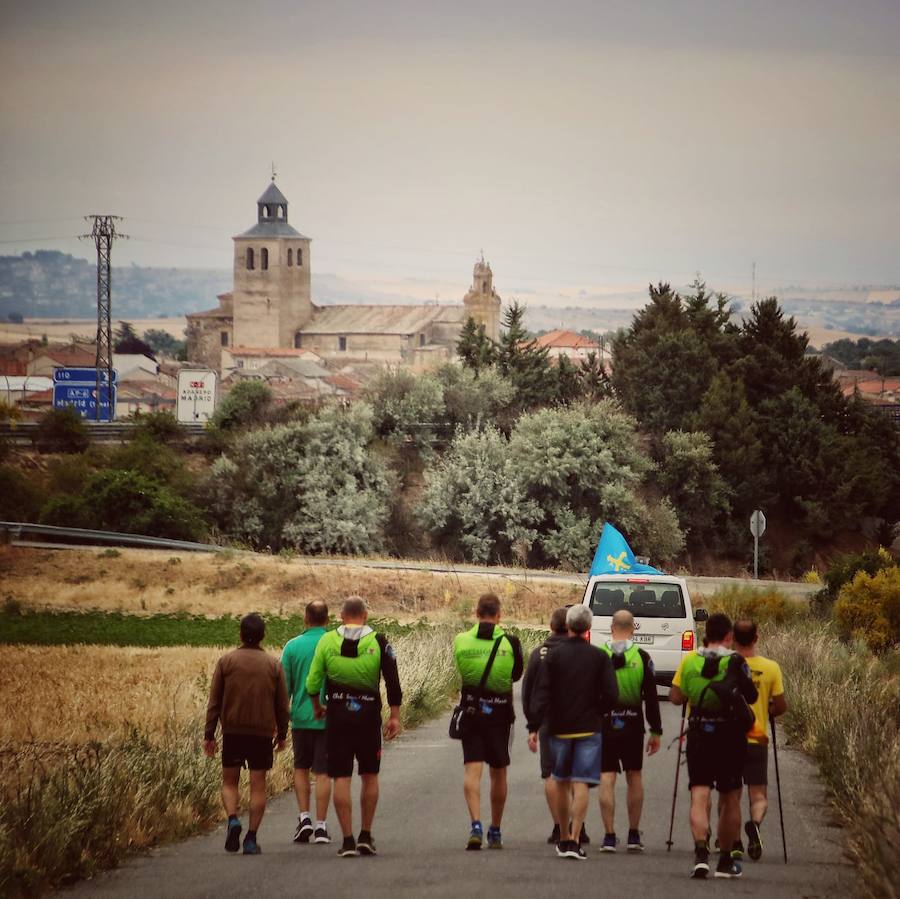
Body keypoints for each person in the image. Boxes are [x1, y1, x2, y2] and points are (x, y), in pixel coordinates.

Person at [306, 595, 402, 858]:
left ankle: (347, 840)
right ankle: (366, 835)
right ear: (366, 615)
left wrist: (317, 706)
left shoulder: (327, 641)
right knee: (370, 775)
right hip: (368, 715)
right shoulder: (379, 642)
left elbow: (312, 683)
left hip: (337, 714)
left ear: (340, 616)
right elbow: (392, 681)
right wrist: (394, 715)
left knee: (341, 778)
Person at [670, 612, 758, 880]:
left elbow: (675, 697)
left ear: (705, 633)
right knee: (730, 798)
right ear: (729, 636)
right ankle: (725, 860)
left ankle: (700, 854)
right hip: (730, 736)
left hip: (699, 732)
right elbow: (751, 696)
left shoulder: (689, 661)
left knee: (699, 794)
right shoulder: (736, 661)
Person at [528, 604, 618, 861]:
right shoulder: (599, 657)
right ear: (588, 627)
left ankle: (563, 837)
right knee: (581, 784)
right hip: (588, 728)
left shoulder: (553, 657)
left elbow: (542, 692)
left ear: (568, 625)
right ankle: (576, 838)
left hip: (558, 728)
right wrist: (596, 711)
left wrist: (534, 725)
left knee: (560, 780)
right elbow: (611, 694)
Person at [204, 612, 290, 855]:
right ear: (263, 636)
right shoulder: (274, 664)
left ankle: (232, 819)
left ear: (240, 634)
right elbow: (282, 705)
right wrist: (282, 733)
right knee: (258, 786)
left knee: (229, 782)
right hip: (262, 735)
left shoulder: (226, 662)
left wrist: (209, 734)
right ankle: (251, 839)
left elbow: (214, 702)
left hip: (233, 732)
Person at [453, 592, 524, 851]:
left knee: (472, 770)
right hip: (501, 715)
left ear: (476, 613)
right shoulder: (511, 642)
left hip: (472, 713)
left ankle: (475, 825)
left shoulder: (461, 641)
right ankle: (495, 829)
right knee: (499, 772)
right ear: (499, 615)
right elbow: (516, 675)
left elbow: (462, 670)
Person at [598, 609, 662, 853]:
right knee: (634, 776)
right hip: (633, 724)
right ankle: (633, 835)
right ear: (633, 629)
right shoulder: (643, 657)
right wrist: (656, 730)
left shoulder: (600, 656)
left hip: (606, 723)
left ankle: (609, 836)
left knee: (607, 777)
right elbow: (652, 698)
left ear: (612, 628)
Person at [728, 618, 787, 861]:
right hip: (757, 738)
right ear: (756, 638)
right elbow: (781, 706)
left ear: (732, 638)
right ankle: (754, 824)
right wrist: (767, 710)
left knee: (731, 795)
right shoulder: (771, 668)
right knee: (758, 795)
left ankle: (734, 843)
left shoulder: (726, 665)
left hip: (730, 739)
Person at [522, 607, 575, 845]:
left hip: (547, 721)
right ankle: (576, 825)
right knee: (572, 775)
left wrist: (532, 722)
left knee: (551, 774)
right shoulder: (581, 652)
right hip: (576, 721)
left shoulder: (539, 654)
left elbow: (528, 691)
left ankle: (557, 826)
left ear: (551, 627)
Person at [282, 600, 332, 844]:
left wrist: (281, 719)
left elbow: (284, 690)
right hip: (328, 719)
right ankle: (322, 826)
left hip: (300, 718)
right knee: (323, 773)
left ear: (305, 618)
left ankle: (304, 818)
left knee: (301, 767)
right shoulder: (334, 643)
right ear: (328, 620)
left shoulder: (292, 647)